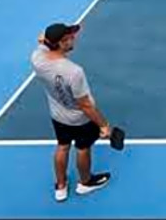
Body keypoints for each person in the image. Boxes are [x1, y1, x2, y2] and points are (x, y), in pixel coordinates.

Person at [32, 23, 111, 202]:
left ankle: (60, 186)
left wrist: (45, 40)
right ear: (60, 43)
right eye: (69, 38)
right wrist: (104, 125)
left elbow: (41, 38)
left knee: (63, 146)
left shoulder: (37, 58)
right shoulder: (74, 72)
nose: (73, 38)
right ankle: (85, 183)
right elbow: (85, 105)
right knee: (83, 148)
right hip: (80, 120)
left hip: (57, 116)